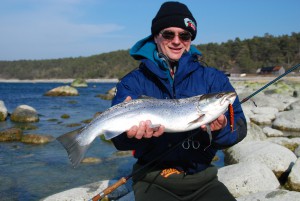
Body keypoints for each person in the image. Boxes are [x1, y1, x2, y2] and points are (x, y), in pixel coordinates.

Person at [111, 1, 247, 201]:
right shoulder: (133, 82)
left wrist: (222, 127)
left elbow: (240, 129)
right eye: (168, 34)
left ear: (190, 39)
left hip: (204, 180)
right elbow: (117, 140)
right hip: (152, 181)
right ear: (156, 36)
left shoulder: (214, 79)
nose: (177, 41)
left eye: (184, 35)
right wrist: (131, 135)